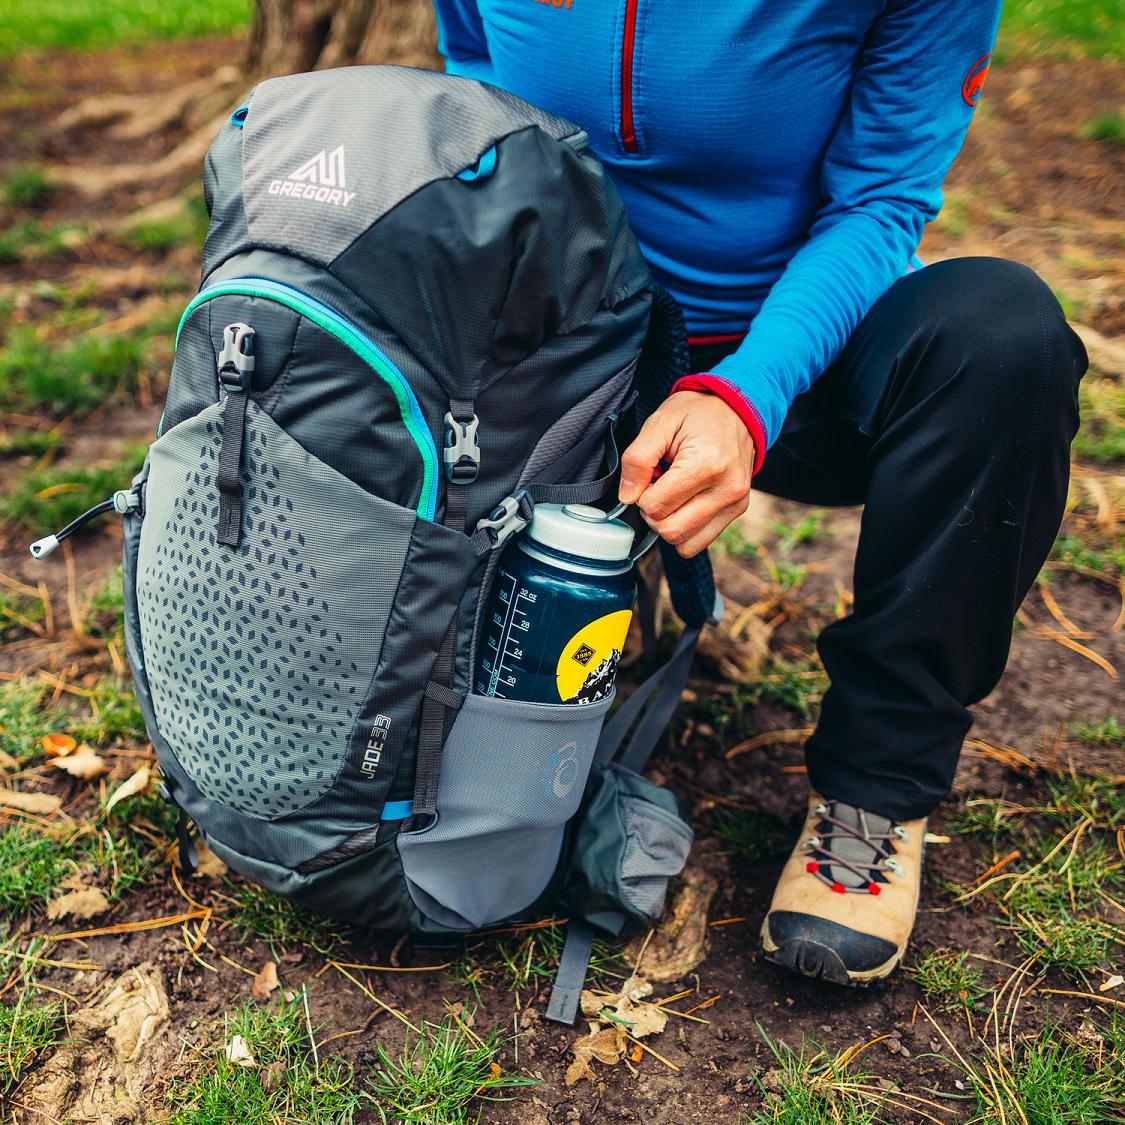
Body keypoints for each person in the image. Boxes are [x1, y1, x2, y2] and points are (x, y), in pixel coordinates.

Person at [431, 0, 1088, 985]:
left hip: (804, 352)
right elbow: (475, 110)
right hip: (573, 343)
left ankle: (875, 794)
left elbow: (884, 200)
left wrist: (745, 394)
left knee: (1005, 341)